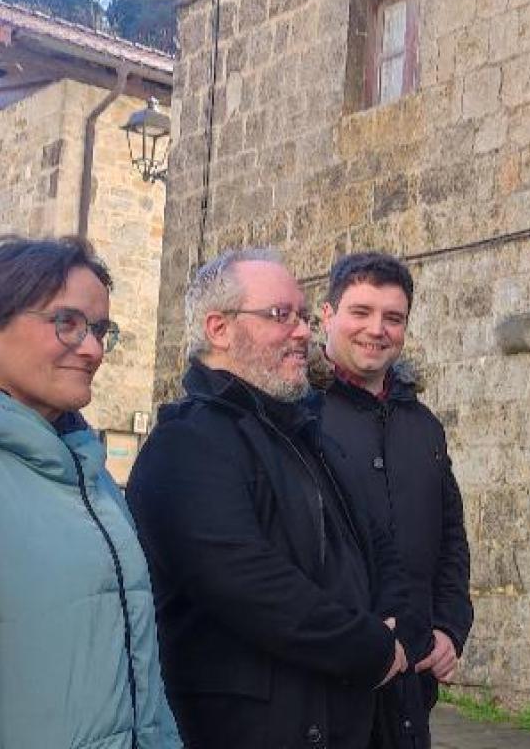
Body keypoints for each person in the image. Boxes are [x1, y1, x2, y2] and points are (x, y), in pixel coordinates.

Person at [0, 235, 180, 749]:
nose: (91, 349)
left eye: (100, 329)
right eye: (66, 323)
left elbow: (139, 672)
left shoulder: (89, 474)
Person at [128, 248, 409, 749]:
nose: (302, 331)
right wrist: (371, 648)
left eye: (302, 315)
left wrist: (398, 625)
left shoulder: (304, 433)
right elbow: (251, 586)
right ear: (219, 329)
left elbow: (375, 543)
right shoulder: (185, 445)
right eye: (281, 315)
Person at [311, 253, 473, 749]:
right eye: (360, 312)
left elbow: (449, 539)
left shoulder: (423, 427)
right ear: (327, 315)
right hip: (326, 689)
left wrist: (449, 627)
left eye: (393, 317)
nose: (376, 329)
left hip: (412, 691)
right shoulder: (298, 418)